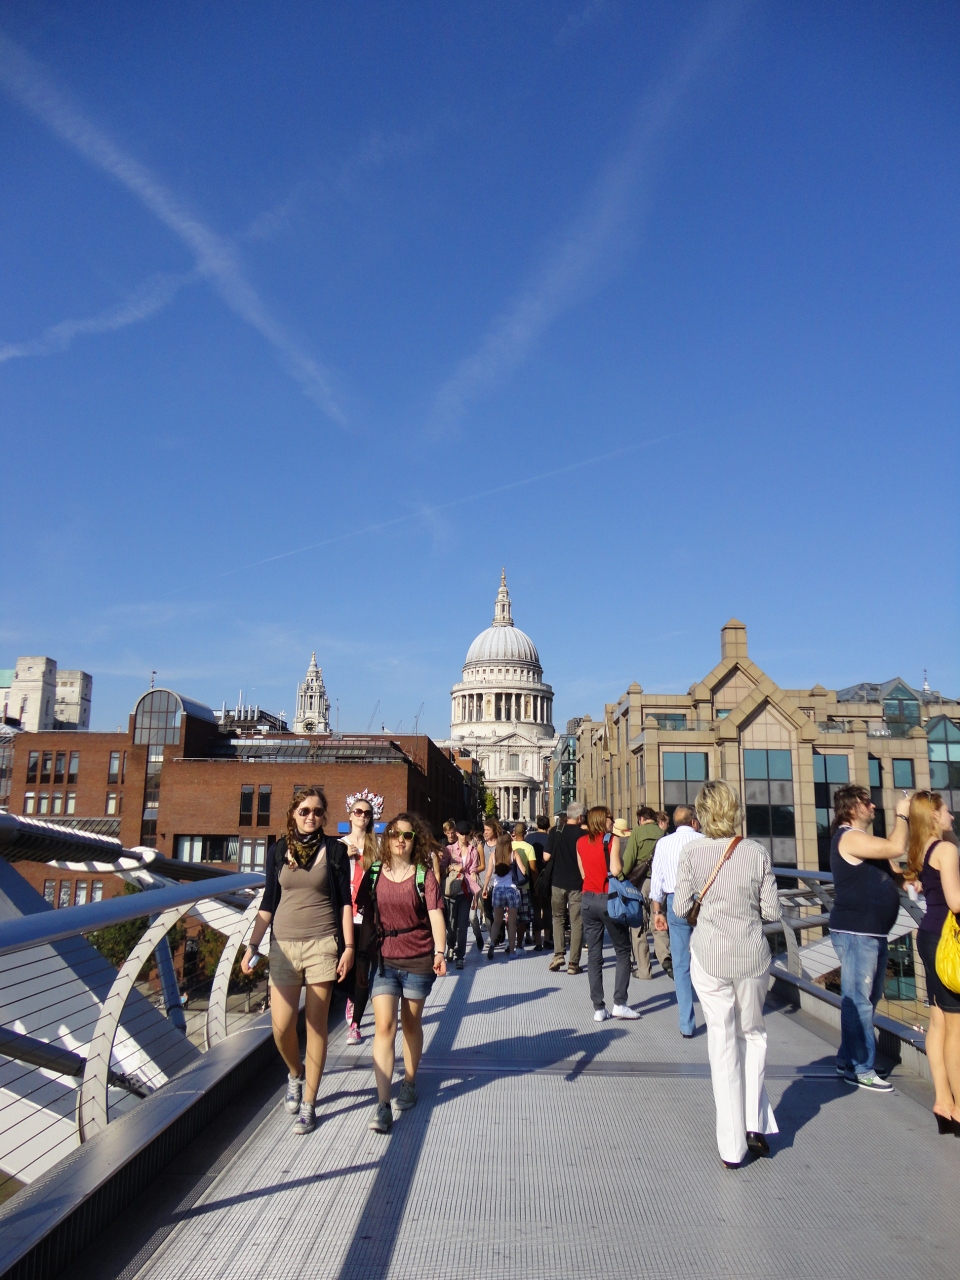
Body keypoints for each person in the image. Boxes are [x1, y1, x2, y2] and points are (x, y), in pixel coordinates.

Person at [674, 780, 781, 1168]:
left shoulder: (691, 852)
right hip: (751, 956)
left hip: (710, 956)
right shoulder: (756, 852)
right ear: (735, 811)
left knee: (722, 1042)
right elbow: (772, 912)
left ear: (701, 815)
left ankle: (732, 1147)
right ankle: (755, 1123)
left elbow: (679, 907)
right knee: (752, 1035)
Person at [241, 788, 354, 1135]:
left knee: (316, 1026)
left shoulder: (335, 851)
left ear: (324, 816)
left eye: (317, 811)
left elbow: (345, 903)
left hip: (322, 945)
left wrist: (349, 947)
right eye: (304, 811)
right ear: (293, 813)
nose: (311, 817)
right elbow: (268, 902)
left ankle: (309, 1103)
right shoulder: (278, 851)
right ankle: (295, 1072)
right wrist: (252, 945)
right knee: (281, 1026)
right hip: (283, 947)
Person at [356, 812, 446, 1134]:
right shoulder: (374, 873)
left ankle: (409, 1081)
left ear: (414, 841)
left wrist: (440, 951)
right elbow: (368, 919)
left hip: (418, 958)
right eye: (394, 834)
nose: (400, 840)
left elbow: (435, 915)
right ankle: (382, 1105)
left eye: (407, 836)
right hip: (384, 959)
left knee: (410, 1024)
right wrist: (361, 959)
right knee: (384, 1026)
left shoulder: (424, 875)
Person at [828, 783, 910, 1091]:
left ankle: (847, 1059)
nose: (873, 806)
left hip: (872, 932)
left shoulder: (866, 842)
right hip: (856, 932)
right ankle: (861, 1068)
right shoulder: (850, 838)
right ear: (851, 808)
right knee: (859, 1001)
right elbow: (896, 847)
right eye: (867, 802)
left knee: (866, 999)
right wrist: (903, 815)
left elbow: (897, 875)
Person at [904, 791, 960, 1133]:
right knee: (957, 1027)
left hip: (928, 936)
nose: (952, 815)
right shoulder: (947, 850)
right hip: (948, 943)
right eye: (947, 811)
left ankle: (943, 1101)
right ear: (935, 815)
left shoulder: (921, 849)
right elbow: (956, 902)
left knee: (938, 1022)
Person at [578, 806, 637, 1021]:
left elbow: (583, 872)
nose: (612, 820)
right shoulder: (612, 840)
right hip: (608, 899)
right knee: (622, 950)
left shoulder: (580, 842)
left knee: (594, 955)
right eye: (610, 817)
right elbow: (616, 870)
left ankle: (598, 1008)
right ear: (603, 820)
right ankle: (620, 1003)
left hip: (588, 899)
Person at [650, 806, 702, 1037]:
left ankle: (686, 1023)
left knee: (680, 963)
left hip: (674, 900)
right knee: (708, 959)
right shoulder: (704, 841)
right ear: (694, 822)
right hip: (702, 902)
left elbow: (657, 879)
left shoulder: (664, 843)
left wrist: (657, 911)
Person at [622, 806, 672, 980]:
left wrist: (621, 877)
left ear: (641, 819)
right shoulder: (663, 834)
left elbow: (629, 860)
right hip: (660, 884)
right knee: (659, 919)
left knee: (639, 925)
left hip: (641, 883)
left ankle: (644, 970)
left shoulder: (637, 832)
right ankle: (665, 957)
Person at [344, 795, 377, 1045]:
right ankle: (351, 997)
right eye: (358, 812)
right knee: (347, 965)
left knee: (363, 967)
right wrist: (343, 857)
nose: (362, 816)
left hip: (368, 914)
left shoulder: (377, 845)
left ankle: (355, 1024)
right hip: (345, 913)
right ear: (350, 815)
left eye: (367, 813)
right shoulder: (338, 845)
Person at [545, 801, 585, 973]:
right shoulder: (584, 834)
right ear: (580, 817)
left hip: (557, 881)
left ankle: (559, 954)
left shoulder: (556, 831)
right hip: (577, 883)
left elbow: (546, 857)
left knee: (558, 918)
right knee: (576, 922)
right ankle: (573, 963)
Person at [440, 820, 481, 969]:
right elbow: (441, 870)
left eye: (466, 833)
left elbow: (473, 871)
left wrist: (475, 895)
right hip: (452, 892)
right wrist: (452, 867)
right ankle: (451, 946)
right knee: (451, 925)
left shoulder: (473, 851)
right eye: (461, 833)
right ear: (457, 833)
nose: (463, 836)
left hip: (466, 892)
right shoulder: (449, 850)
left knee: (463, 925)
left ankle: (460, 956)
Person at [482, 832, 527, 958]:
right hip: (512, 890)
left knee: (497, 921)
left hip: (498, 890)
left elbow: (488, 874)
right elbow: (523, 870)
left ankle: (492, 943)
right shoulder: (513, 853)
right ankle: (512, 952)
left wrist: (485, 888)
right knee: (512, 922)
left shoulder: (493, 854)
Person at [511, 820, 537, 946]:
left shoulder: (509, 846)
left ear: (514, 833)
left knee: (510, 917)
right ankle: (519, 944)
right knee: (522, 917)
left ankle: (510, 943)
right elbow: (533, 869)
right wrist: (535, 885)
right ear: (525, 833)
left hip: (509, 885)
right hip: (523, 886)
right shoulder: (529, 848)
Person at [527, 815, 550, 948]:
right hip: (547, 877)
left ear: (537, 825)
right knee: (547, 908)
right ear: (548, 826)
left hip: (532, 877)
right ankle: (546, 938)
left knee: (535, 910)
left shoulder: (529, 838)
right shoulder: (550, 838)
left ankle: (537, 941)